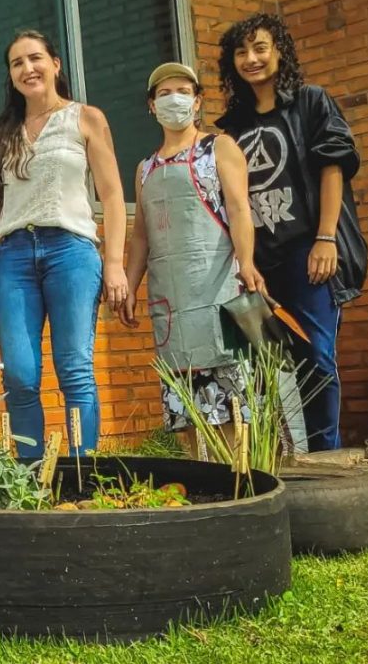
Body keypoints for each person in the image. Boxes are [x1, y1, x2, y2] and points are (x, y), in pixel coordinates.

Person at [214, 13, 367, 452]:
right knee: (264, 370)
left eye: (260, 48)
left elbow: (332, 167)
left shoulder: (311, 102)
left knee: (317, 358)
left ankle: (326, 460)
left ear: (280, 51)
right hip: (258, 264)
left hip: (307, 252)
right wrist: (245, 264)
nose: (251, 59)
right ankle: (275, 462)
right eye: (241, 52)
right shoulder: (232, 127)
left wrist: (325, 238)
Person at [0, 30, 128, 458]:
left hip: (71, 252)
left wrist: (114, 262)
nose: (28, 69)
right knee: (21, 376)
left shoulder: (85, 118)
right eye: (17, 63)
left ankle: (81, 474)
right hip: (14, 259)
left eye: (35, 58)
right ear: (11, 75)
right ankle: (29, 478)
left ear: (55, 64)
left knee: (74, 369)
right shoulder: (6, 130)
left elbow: (114, 195)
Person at [120, 62, 265, 451]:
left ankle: (242, 484)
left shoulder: (218, 147)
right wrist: (129, 286)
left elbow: (238, 210)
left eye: (182, 91)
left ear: (197, 101)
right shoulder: (144, 169)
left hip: (217, 290)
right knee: (184, 410)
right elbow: (141, 237)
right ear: (151, 106)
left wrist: (247, 263)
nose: (174, 100)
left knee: (231, 404)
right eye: (163, 93)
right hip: (171, 303)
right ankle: (202, 487)